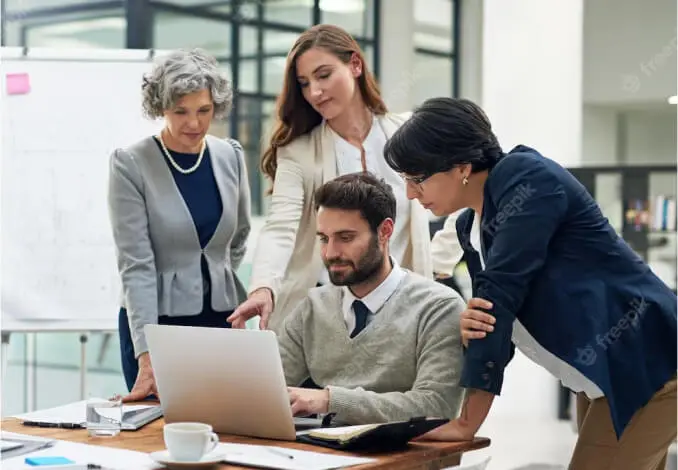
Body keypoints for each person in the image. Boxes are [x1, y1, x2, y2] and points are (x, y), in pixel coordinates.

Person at [382, 97, 677, 469]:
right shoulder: (469, 226)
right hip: (602, 374)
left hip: (647, 357)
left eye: (417, 178)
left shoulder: (528, 178)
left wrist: (467, 423)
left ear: (460, 166)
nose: (410, 193)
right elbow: (492, 323)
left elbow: (497, 301)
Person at [227, 24, 455, 332]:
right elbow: (281, 227)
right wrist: (262, 287)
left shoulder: (407, 132)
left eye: (324, 75)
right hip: (325, 317)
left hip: (401, 316)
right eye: (305, 83)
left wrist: (437, 262)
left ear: (355, 65)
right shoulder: (298, 151)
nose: (315, 92)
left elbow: (464, 192)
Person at [108, 49, 251, 402]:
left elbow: (239, 236)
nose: (194, 123)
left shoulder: (230, 155)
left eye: (204, 110)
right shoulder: (131, 164)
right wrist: (147, 355)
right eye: (180, 112)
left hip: (221, 321)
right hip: (157, 329)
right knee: (159, 437)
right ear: (160, 108)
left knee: (228, 428)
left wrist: (213, 277)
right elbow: (136, 265)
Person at [278, 172, 466, 424]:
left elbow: (438, 405)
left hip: (405, 457)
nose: (331, 252)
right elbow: (268, 390)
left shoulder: (438, 307)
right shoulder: (313, 307)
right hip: (321, 453)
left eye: (346, 238)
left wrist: (329, 400)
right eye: (324, 239)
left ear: (384, 231)